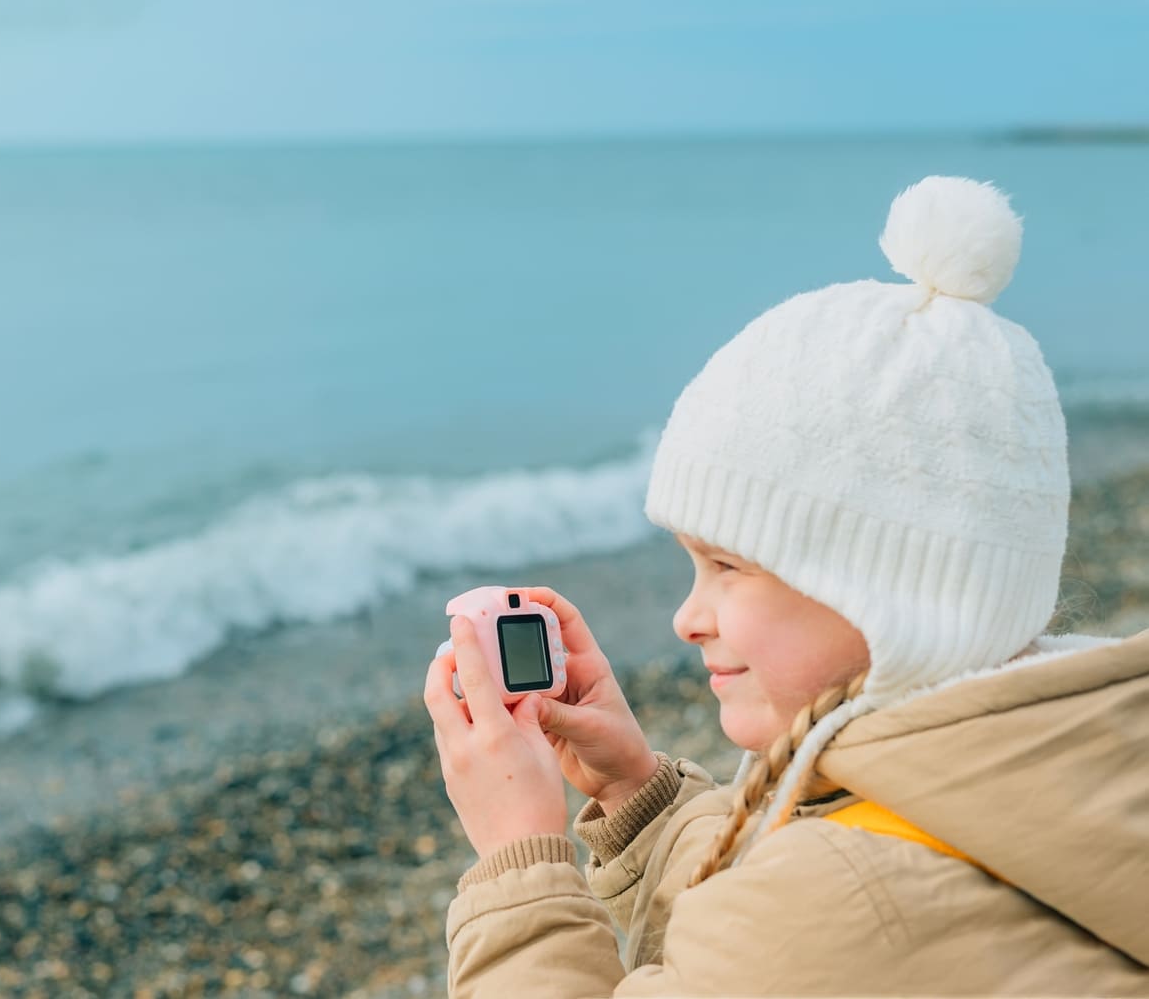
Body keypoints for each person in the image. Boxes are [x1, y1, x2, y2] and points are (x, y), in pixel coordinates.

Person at [425, 176, 1149, 995]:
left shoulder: (837, 907)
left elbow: (803, 917)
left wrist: (521, 856)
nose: (686, 619)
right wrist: (638, 794)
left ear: (889, 590)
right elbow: (792, 893)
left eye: (729, 567)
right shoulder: (1054, 759)